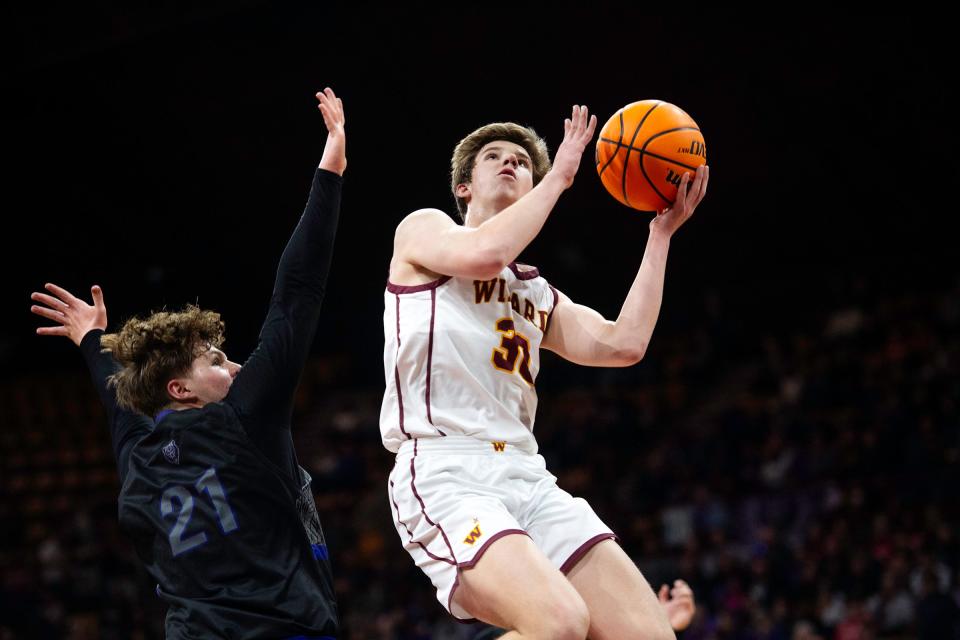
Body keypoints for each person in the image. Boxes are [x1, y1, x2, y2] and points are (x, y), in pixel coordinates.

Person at [381, 104, 708, 639]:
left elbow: (624, 344)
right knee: (560, 622)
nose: (510, 162)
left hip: (526, 475)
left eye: (521, 162)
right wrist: (557, 177)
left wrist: (661, 234)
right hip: (446, 471)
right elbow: (486, 253)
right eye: (494, 157)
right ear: (464, 187)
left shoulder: (537, 293)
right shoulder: (423, 232)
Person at [30, 87, 347, 639]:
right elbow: (295, 293)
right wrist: (332, 168)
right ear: (181, 389)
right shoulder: (243, 419)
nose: (239, 369)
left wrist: (91, 339)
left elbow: (115, 392)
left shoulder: (139, 452)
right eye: (218, 360)